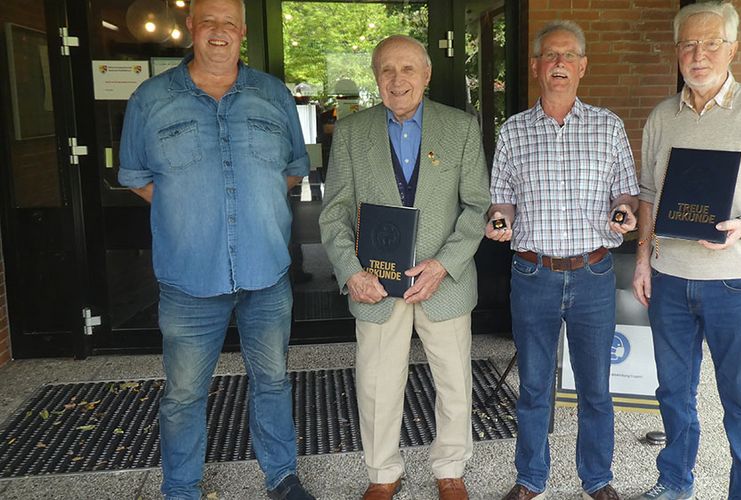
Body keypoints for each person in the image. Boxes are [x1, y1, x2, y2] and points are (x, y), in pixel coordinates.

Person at [117, 0, 315, 498]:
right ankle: (181, 488)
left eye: (230, 23)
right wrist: (190, 208)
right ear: (191, 27)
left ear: (244, 31)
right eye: (209, 21)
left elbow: (292, 169)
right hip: (189, 277)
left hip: (265, 271)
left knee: (272, 380)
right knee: (184, 393)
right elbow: (137, 177)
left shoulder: (273, 96)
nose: (219, 32)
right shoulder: (151, 99)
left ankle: (282, 476)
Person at [631, 3, 741, 499]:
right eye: (688, 44)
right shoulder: (663, 116)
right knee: (673, 393)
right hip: (669, 279)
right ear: (677, 52)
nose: (698, 54)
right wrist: (643, 260)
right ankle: (675, 483)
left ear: (733, 48)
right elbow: (648, 193)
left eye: (711, 43)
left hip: (736, 281)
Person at [318, 35, 490, 500]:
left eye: (408, 69)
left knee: (454, 381)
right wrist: (352, 271)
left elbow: (477, 207)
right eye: (387, 70)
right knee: (376, 384)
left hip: (443, 284)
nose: (398, 80)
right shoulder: (352, 133)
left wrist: (443, 264)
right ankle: (382, 473)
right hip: (375, 285)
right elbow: (334, 212)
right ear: (376, 77)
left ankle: (450, 468)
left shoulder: (460, 128)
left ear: (427, 75)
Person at [486, 20, 639, 500]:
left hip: (593, 272)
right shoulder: (513, 131)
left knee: (595, 387)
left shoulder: (608, 126)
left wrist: (625, 212)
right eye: (550, 56)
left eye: (569, 56)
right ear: (535, 67)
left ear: (582, 66)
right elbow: (501, 199)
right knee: (533, 387)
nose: (559, 64)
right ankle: (530, 478)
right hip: (533, 273)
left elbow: (626, 193)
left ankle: (597, 478)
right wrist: (499, 220)